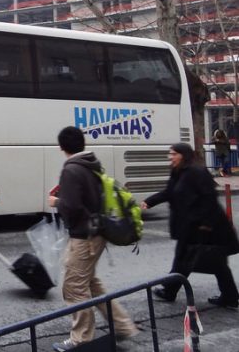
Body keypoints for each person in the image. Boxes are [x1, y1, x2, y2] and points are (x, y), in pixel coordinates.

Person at [48, 127, 139, 352]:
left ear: (62, 146)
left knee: (74, 287)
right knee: (90, 284)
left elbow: (71, 207)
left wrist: (55, 201)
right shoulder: (91, 164)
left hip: (84, 237)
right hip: (97, 232)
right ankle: (123, 326)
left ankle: (81, 339)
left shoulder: (71, 169)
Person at [141, 142, 239, 308]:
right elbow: (169, 192)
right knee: (195, 259)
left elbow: (210, 198)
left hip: (208, 227)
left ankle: (171, 290)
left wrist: (206, 224)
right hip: (191, 226)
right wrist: (149, 202)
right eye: (170, 154)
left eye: (174, 154)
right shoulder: (178, 172)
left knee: (205, 260)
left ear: (183, 155)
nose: (170, 157)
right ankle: (228, 296)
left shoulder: (197, 172)